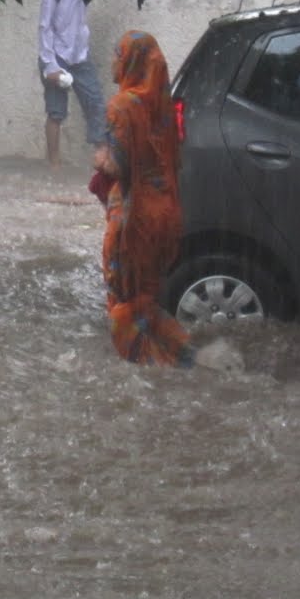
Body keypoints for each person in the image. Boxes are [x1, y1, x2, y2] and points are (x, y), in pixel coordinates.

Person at [97, 30, 196, 367]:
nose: (113, 62)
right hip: (165, 213)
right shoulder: (163, 107)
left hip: (134, 217)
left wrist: (100, 158)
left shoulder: (122, 105)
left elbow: (119, 166)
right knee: (147, 299)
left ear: (131, 61)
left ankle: (146, 368)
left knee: (125, 302)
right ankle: (187, 358)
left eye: (117, 54)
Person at [36, 0, 106, 171]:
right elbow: (45, 25)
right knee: (56, 112)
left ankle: (103, 162)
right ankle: (54, 165)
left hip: (79, 53)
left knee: (96, 104)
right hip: (56, 54)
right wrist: (50, 65)